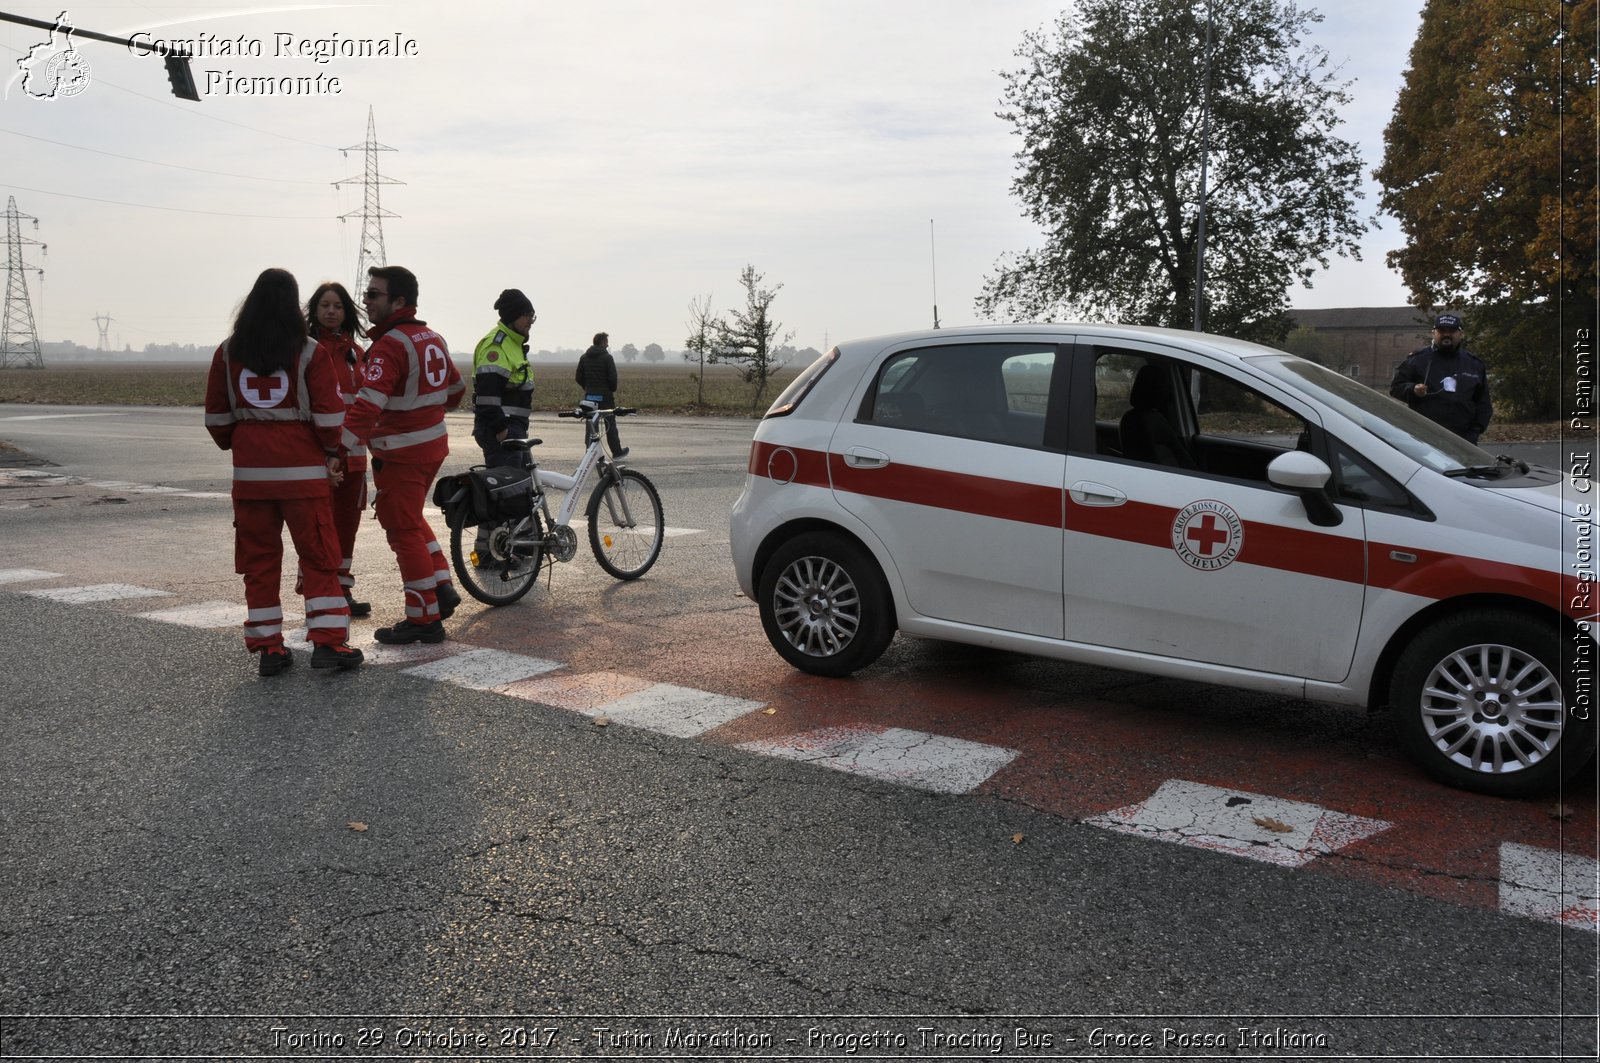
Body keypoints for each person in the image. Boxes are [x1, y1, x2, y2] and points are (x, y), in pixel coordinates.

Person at [204, 267, 363, 675]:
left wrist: (241, 443)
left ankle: (269, 649)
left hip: (251, 477)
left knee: (258, 561)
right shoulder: (310, 351)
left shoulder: (227, 351)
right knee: (319, 558)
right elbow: (329, 419)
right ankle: (329, 643)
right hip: (303, 477)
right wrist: (331, 453)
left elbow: (217, 419)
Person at [341, 265, 466, 644]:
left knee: (402, 530)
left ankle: (423, 617)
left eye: (373, 294)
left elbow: (367, 406)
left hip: (401, 455)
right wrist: (424, 409)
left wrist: (338, 450)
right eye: (366, 293)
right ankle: (441, 585)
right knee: (411, 519)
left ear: (398, 301)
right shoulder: (432, 337)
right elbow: (457, 389)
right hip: (431, 446)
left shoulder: (391, 344)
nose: (365, 301)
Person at [305, 281, 372, 617]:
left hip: (353, 457)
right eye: (325, 305)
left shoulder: (355, 353)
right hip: (318, 456)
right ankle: (318, 595)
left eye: (338, 306)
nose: (331, 311)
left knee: (347, 527)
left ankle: (342, 591)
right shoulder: (304, 349)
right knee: (319, 528)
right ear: (315, 311)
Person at [1388, 313, 1493, 443]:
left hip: (1463, 440)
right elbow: (1395, 387)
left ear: (1461, 334)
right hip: (1424, 437)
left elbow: (1484, 404)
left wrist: (1474, 432)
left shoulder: (1474, 364)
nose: (1446, 334)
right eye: (1442, 331)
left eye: (1452, 331)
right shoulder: (1418, 360)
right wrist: (1412, 390)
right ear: (1433, 333)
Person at [575, 330, 626, 457]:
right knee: (610, 425)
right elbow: (612, 378)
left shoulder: (584, 357)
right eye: (607, 342)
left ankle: (590, 453)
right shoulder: (607, 358)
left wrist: (587, 388)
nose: (608, 345)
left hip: (589, 397)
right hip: (605, 397)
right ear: (603, 343)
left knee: (592, 426)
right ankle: (617, 451)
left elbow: (578, 377)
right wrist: (611, 389)